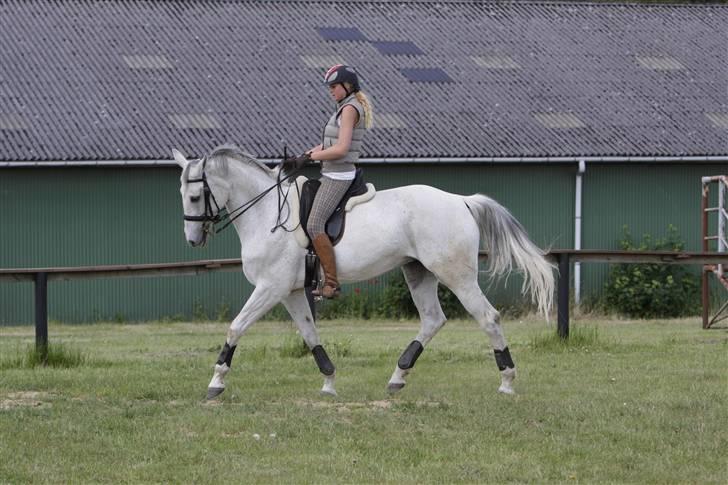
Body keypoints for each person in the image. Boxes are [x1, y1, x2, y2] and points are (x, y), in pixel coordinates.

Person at [294, 64, 374, 299]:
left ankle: (331, 282)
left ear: (347, 86)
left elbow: (340, 149)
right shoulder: (341, 107)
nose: (330, 90)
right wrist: (305, 155)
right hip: (330, 171)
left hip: (339, 174)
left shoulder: (349, 109)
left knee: (314, 224)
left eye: (333, 86)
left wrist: (313, 157)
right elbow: (329, 144)